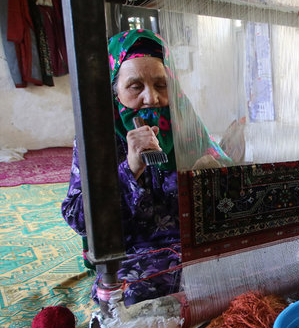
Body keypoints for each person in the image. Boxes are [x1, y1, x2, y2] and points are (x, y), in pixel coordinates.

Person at [62, 29, 231, 306]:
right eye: (135, 86)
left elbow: (230, 188)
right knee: (132, 301)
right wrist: (130, 167)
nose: (151, 98)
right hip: (137, 251)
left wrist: (214, 171)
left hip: (194, 245)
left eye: (161, 85)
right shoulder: (97, 139)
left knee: (260, 275)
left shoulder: (184, 122)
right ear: (114, 89)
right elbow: (78, 217)